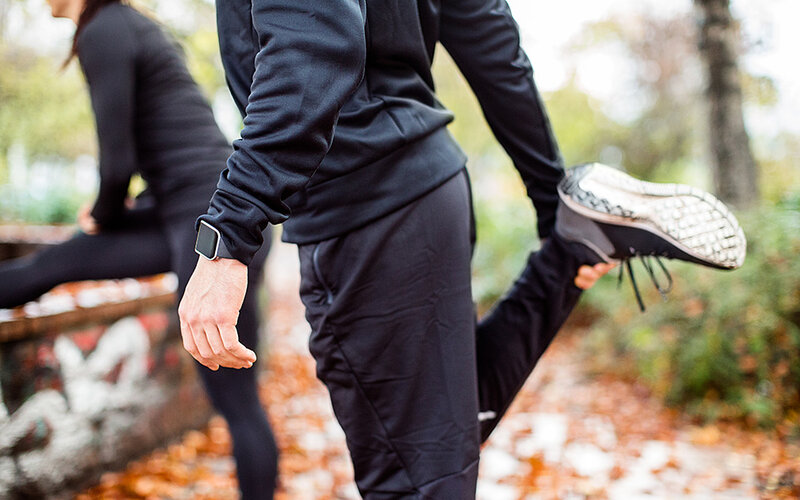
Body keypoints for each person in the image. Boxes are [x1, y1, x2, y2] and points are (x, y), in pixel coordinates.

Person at [180, 0, 746, 497]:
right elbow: (491, 39)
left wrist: (228, 237)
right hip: (431, 191)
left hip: (361, 214)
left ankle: (574, 242)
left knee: (413, 479)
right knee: (446, 431)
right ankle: (574, 245)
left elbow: (311, 46)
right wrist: (553, 202)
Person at [0, 0, 278, 497]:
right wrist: (111, 217)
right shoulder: (121, 26)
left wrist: (103, 215)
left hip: (213, 222)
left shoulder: (104, 28)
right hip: (182, 208)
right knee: (54, 263)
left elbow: (116, 165)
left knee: (237, 403)